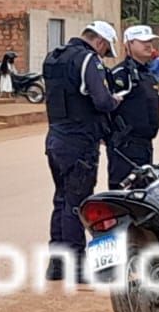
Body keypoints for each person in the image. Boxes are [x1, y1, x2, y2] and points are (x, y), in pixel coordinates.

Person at [44, 21, 121, 280]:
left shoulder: (54, 58)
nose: (103, 55)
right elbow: (101, 100)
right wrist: (114, 101)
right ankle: (77, 265)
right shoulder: (87, 59)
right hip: (80, 143)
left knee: (61, 200)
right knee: (77, 203)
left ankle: (56, 264)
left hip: (55, 140)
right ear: (99, 41)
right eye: (105, 49)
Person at [106, 25, 159, 188]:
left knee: (144, 194)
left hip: (145, 145)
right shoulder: (120, 75)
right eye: (143, 41)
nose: (148, 45)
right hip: (124, 147)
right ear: (129, 44)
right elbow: (104, 106)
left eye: (150, 41)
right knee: (123, 196)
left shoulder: (147, 75)